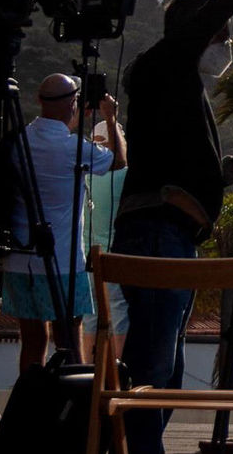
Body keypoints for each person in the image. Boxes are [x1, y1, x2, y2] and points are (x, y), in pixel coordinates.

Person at [110, 0, 233, 454]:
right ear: (195, 31)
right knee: (154, 363)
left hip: (172, 233)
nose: (223, 46)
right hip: (157, 232)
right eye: (219, 36)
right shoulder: (165, 63)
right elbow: (222, 0)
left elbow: (189, 174)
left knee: (169, 365)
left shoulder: (177, 88)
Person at [3, 73, 125, 373]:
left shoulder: (18, 141)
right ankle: (75, 412)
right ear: (73, 104)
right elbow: (119, 159)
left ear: (38, 101)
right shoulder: (73, 148)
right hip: (62, 262)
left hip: (19, 258)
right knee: (69, 340)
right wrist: (111, 119)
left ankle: (32, 408)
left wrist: (71, 113)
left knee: (33, 342)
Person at [81, 121, 129, 363]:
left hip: (87, 256)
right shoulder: (125, 174)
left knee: (90, 315)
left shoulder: (85, 173)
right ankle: (115, 373)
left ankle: (89, 370)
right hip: (114, 256)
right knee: (118, 314)